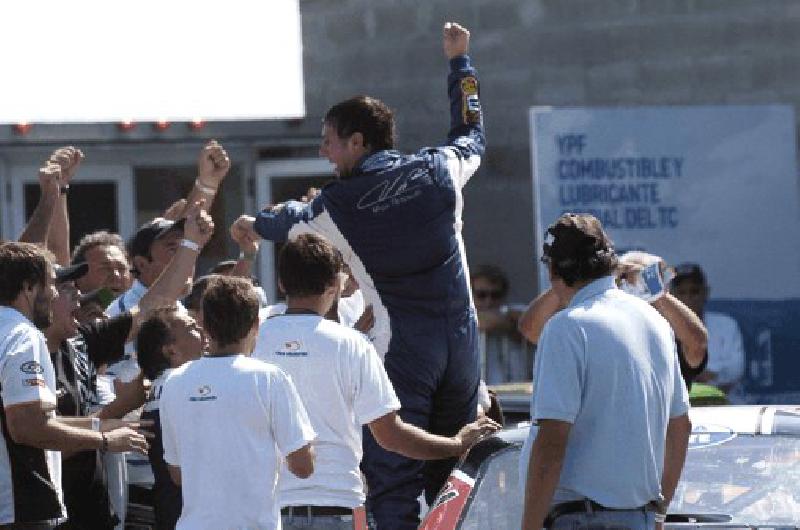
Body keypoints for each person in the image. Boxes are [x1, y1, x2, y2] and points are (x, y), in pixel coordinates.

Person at [232, 22, 484, 528]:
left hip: (404, 350)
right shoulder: (441, 169)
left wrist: (248, 224)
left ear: (357, 142)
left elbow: (282, 220)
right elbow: (472, 132)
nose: (324, 152)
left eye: (329, 142)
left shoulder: (335, 205)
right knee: (457, 475)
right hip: (463, 349)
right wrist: (461, 64)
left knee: (393, 481)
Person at [253, 234, 498, 530]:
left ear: (281, 283)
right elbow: (390, 435)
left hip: (264, 510)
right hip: (336, 507)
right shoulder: (352, 345)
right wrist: (456, 444)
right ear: (336, 285)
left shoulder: (253, 342)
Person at [520, 214, 691, 530]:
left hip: (579, 518)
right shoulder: (656, 323)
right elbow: (680, 427)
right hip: (638, 517)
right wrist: (658, 513)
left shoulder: (565, 328)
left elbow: (552, 442)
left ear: (553, 270)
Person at [0, 241, 147, 529]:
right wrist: (103, 440)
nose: (55, 293)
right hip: (22, 508)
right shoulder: (22, 336)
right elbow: (27, 426)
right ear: (29, 287)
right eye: (52, 285)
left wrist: (98, 425)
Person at [158, 276, 316, 529]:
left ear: (203, 324)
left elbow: (177, 473)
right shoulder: (269, 378)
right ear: (256, 324)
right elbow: (303, 466)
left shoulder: (174, 382)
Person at [519, 251, 709, 391]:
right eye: (624, 279)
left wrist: (654, 289)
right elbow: (531, 330)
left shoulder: (669, 337)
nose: (634, 285)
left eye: (647, 279)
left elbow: (698, 345)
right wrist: (578, 277)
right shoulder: (590, 329)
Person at [137, 307, 205, 530]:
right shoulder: (183, 387)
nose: (202, 330)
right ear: (171, 351)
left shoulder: (163, 388)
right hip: (190, 515)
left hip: (173, 512)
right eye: (192, 328)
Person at [671, 263, 746, 395]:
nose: (688, 298)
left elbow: (736, 368)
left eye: (694, 291)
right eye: (681, 292)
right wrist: (707, 373)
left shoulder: (726, 325)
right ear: (671, 296)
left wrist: (693, 373)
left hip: (724, 405)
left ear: (706, 292)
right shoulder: (660, 329)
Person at [471, 264, 531, 383]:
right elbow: (485, 321)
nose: (488, 301)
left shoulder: (511, 312)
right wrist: (509, 324)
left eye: (495, 295)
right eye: (481, 295)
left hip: (513, 394)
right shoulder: (460, 316)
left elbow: (536, 322)